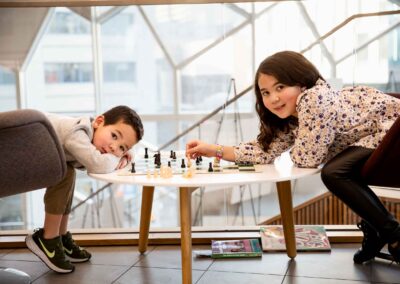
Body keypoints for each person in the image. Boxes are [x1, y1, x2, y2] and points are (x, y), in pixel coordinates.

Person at [186, 50, 400, 264]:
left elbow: (307, 157)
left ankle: (393, 233)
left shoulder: (314, 97)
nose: (273, 98)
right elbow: (263, 151)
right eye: (266, 92)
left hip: (390, 132)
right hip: (370, 139)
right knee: (339, 169)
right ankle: (377, 230)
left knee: (334, 172)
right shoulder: (293, 117)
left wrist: (296, 146)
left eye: (280, 87)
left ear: (302, 82)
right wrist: (214, 150)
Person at [26, 105, 144, 273]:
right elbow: (97, 164)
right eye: (114, 136)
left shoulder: (89, 136)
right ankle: (48, 238)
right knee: (64, 171)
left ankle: (59, 236)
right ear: (99, 121)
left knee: (67, 170)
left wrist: (125, 156)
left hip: (35, 157)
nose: (113, 147)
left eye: (122, 147)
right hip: (15, 156)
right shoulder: (77, 132)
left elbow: (101, 162)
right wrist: (119, 159)